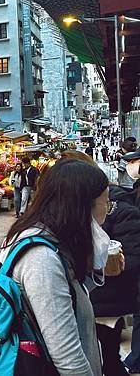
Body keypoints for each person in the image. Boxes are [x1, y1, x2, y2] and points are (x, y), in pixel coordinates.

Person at [0, 159, 108, 375]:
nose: (108, 209)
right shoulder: (42, 259)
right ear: (82, 206)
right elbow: (67, 357)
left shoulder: (55, 242)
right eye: (106, 202)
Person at [91, 149, 140, 374]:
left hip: (112, 301)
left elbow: (133, 256)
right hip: (98, 301)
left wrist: (115, 263)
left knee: (109, 356)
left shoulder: (123, 212)